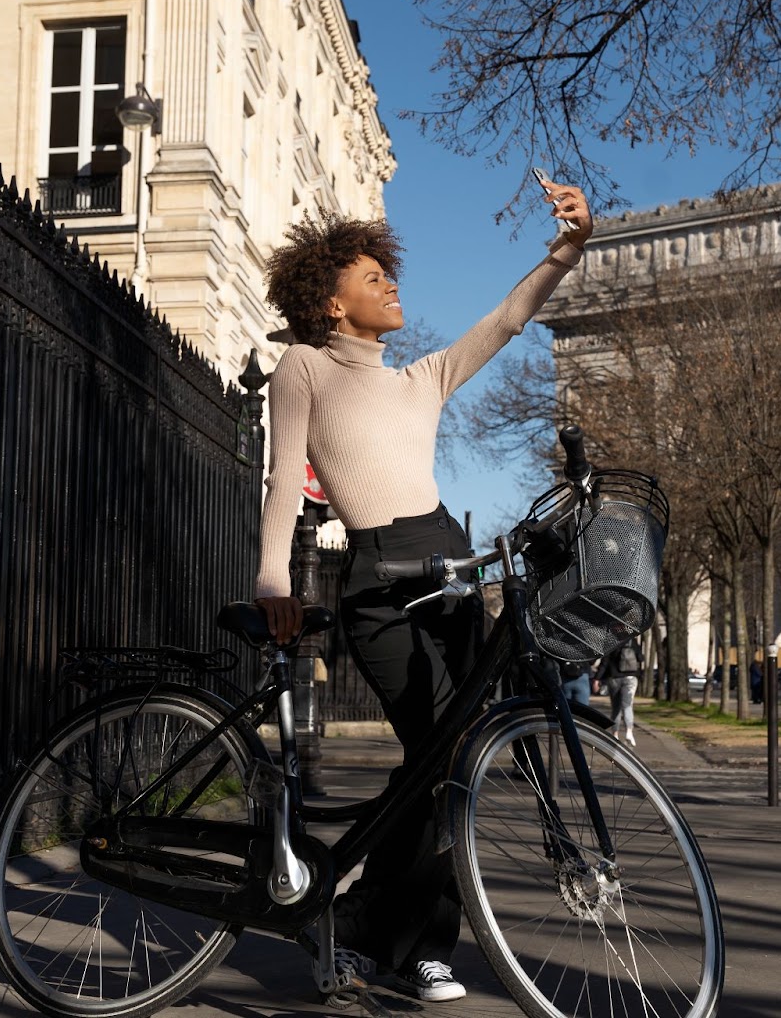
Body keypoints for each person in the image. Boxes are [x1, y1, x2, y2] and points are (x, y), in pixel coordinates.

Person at [253, 180, 593, 1003]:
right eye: (372, 278)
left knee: (455, 759)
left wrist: (568, 249)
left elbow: (508, 320)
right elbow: (283, 487)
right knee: (443, 750)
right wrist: (271, 580)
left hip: (450, 563)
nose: (391, 285)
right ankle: (379, 924)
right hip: (380, 578)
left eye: (386, 274)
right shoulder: (303, 368)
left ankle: (404, 935)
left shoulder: (421, 379)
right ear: (332, 305)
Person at [598, 641, 641, 746]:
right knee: (627, 706)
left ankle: (615, 735)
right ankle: (629, 732)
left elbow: (605, 662)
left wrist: (597, 678)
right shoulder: (632, 641)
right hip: (631, 677)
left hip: (614, 678)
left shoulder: (612, 641)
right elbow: (640, 658)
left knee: (616, 708)